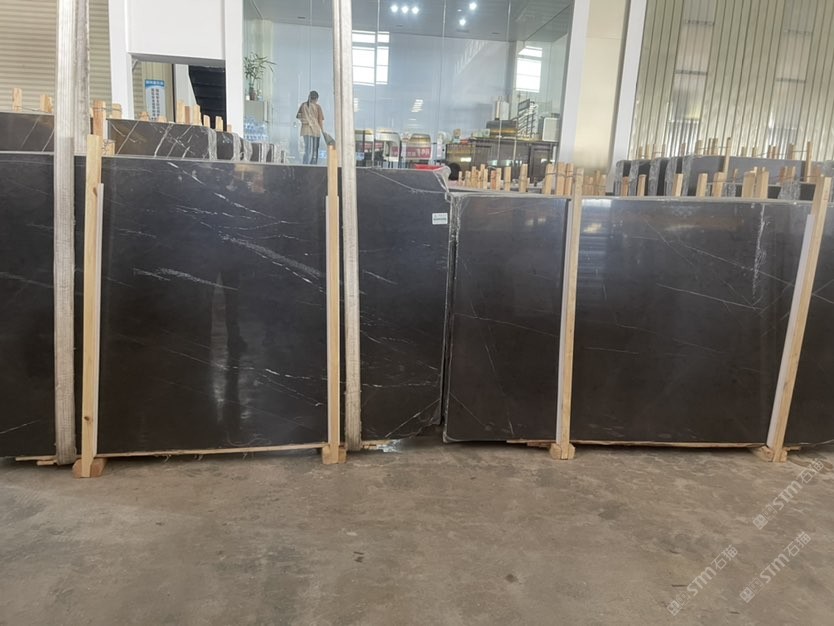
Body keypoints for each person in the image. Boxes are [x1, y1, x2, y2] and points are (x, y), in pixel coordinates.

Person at [296, 90, 325, 165]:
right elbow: (320, 120)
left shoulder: (303, 105)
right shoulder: (318, 107)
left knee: (307, 149)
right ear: (316, 99)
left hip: (306, 130)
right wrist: (323, 131)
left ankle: (305, 165)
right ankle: (313, 165)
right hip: (315, 130)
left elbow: (298, 116)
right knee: (315, 150)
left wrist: (304, 120)